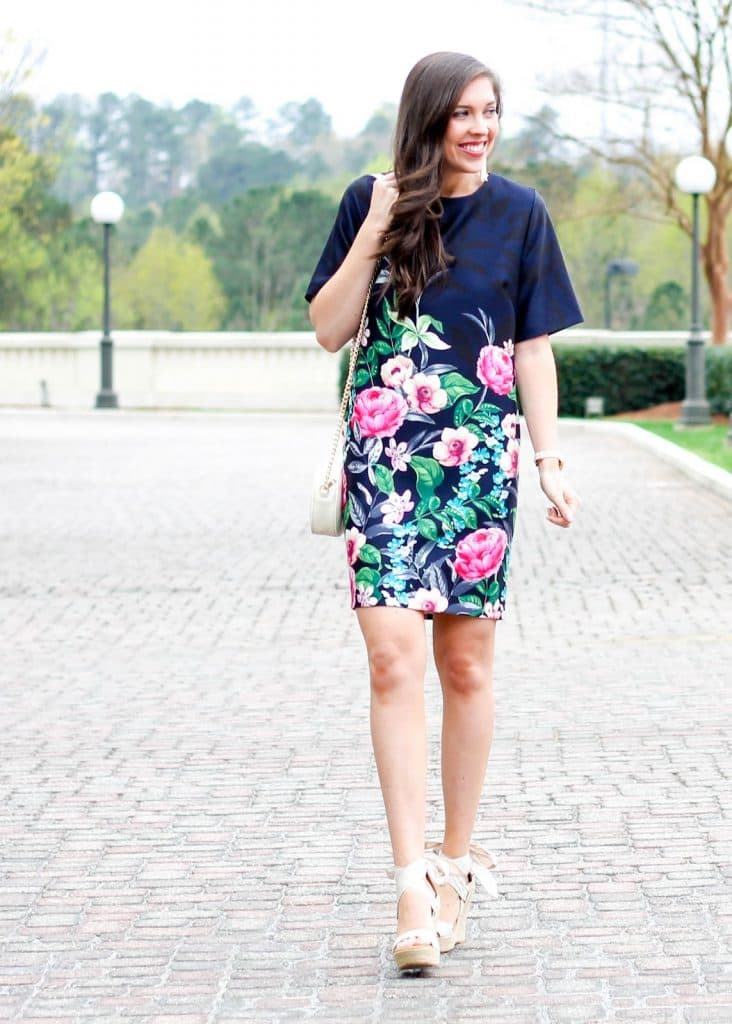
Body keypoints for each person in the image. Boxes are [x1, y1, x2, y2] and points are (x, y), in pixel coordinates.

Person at [305, 51, 582, 972]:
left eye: (490, 111)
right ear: (426, 118)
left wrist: (546, 458)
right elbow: (330, 326)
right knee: (392, 660)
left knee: (464, 665)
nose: (478, 127)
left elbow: (531, 348)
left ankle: (457, 864)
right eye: (462, 112)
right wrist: (376, 229)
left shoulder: (520, 214)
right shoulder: (370, 201)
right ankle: (409, 885)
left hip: (475, 469)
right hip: (384, 464)